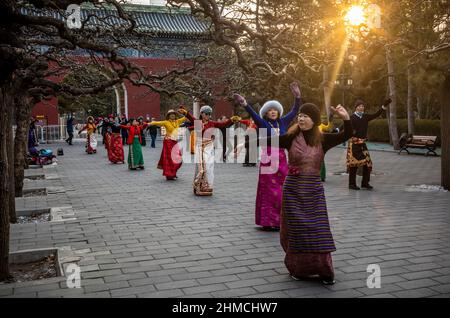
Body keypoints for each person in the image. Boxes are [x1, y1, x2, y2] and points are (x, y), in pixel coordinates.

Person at [254, 103, 352, 285]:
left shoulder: (323, 139)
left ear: (314, 120)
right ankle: (298, 269)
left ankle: (324, 270)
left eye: (305, 116)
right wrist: (243, 143)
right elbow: (266, 140)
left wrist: (345, 118)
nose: (301, 118)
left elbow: (346, 135)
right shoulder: (290, 138)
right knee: (297, 231)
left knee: (318, 230)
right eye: (299, 115)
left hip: (313, 191)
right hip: (292, 191)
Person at [233, 82, 301, 231]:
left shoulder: (283, 122)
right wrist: (244, 103)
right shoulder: (263, 123)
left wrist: (297, 97)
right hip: (268, 159)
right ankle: (268, 220)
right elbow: (253, 115)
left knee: (282, 190)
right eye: (269, 110)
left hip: (282, 159)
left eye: (275, 110)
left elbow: (295, 111)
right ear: (266, 113)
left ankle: (280, 220)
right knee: (269, 190)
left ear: (278, 112)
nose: (272, 112)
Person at [188, 106, 240, 196]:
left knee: (209, 167)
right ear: (201, 114)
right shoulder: (198, 123)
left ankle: (207, 186)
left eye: (209, 114)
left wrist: (231, 120)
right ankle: (198, 186)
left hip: (209, 147)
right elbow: (192, 119)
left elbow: (223, 124)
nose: (208, 115)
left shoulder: (212, 123)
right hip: (200, 146)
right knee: (200, 168)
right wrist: (186, 113)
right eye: (206, 113)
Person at [347, 98, 391, 190]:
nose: (361, 107)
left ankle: (365, 183)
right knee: (353, 165)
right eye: (359, 106)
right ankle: (351, 184)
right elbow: (345, 125)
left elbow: (376, 114)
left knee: (368, 164)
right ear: (356, 107)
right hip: (354, 144)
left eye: (362, 106)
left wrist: (384, 106)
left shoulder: (365, 117)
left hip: (362, 144)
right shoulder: (352, 117)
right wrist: (337, 130)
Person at [148, 108, 193, 180]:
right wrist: (149, 123)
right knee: (169, 159)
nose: (172, 116)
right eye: (171, 115)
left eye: (173, 114)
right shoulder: (166, 122)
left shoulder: (178, 121)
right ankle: (169, 174)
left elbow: (186, 117)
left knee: (178, 158)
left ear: (175, 115)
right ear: (168, 116)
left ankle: (173, 172)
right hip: (168, 142)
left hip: (174, 142)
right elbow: (157, 123)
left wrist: (186, 112)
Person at [319, 111, 334, 182]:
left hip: (320, 144)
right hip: (311, 144)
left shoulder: (320, 125)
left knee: (321, 159)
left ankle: (322, 176)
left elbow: (328, 128)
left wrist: (330, 120)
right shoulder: (310, 124)